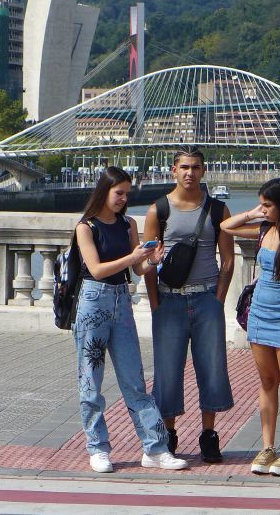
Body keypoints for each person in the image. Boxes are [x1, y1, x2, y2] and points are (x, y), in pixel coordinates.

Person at [73, 167, 185, 473]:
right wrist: (133, 258)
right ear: (104, 191)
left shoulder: (128, 224)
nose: (124, 199)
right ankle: (97, 448)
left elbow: (136, 272)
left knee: (135, 381)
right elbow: (95, 269)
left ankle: (155, 449)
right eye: (118, 193)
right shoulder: (86, 227)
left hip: (122, 301)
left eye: (127, 193)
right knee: (90, 382)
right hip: (93, 302)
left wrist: (151, 261)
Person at [143, 148, 234, 462]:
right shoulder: (159, 210)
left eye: (196, 167)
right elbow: (148, 260)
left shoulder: (218, 210)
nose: (190, 173)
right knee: (167, 370)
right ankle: (168, 433)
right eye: (184, 167)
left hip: (207, 298)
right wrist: (155, 302)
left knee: (212, 368)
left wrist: (218, 299)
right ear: (173, 171)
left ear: (204, 171)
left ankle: (209, 435)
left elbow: (228, 260)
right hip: (169, 301)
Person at [221, 178, 280, 477]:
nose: (264, 209)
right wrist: (252, 213)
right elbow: (226, 227)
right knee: (267, 381)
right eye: (262, 204)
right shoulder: (264, 230)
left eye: (268, 205)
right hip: (259, 315)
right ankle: (268, 445)